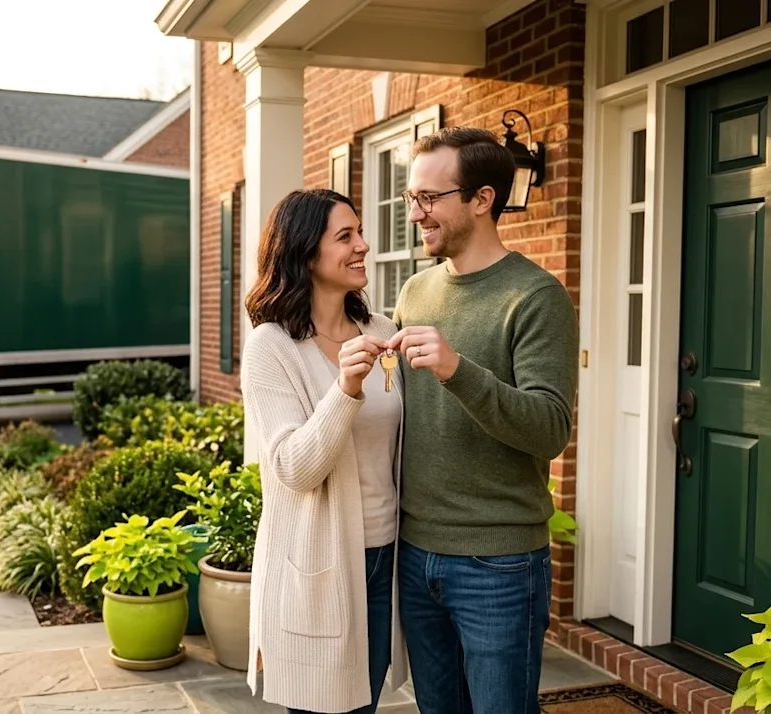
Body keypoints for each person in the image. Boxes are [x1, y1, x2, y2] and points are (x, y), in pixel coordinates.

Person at [386, 127, 579, 713]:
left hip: (498, 563)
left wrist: (456, 369)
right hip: (416, 552)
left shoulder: (535, 297)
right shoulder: (415, 292)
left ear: (481, 199)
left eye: (429, 199)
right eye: (411, 198)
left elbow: (550, 428)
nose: (416, 213)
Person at [239, 188, 410, 714]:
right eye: (346, 236)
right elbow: (293, 467)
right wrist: (346, 389)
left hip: (388, 558)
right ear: (305, 253)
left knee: (367, 703)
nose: (363, 244)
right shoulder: (271, 346)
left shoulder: (380, 331)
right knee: (327, 709)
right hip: (318, 564)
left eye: (360, 231)